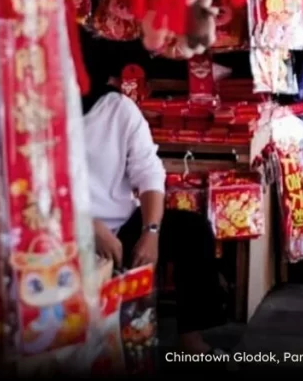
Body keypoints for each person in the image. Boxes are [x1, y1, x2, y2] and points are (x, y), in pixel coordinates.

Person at [80, 50, 226, 355]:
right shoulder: (40, 116)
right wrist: (85, 225)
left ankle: (191, 338)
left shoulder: (119, 109)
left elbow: (149, 174)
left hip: (121, 224)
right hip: (62, 228)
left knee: (192, 230)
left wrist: (151, 232)